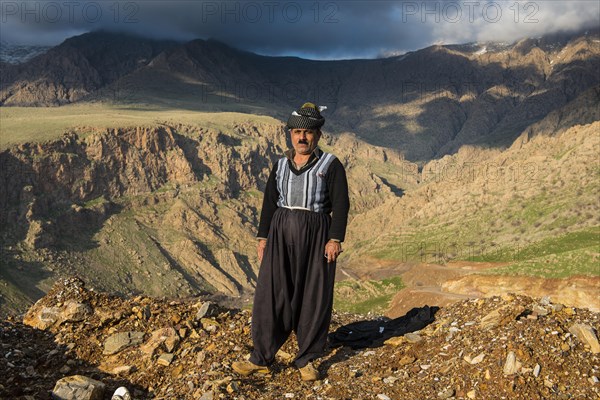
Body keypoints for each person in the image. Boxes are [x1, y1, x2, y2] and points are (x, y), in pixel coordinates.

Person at [232, 102, 350, 381]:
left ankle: (307, 358)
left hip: (317, 235)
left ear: (318, 135)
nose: (302, 138)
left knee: (314, 295)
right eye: (297, 132)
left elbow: (341, 205)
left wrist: (334, 239)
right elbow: (269, 204)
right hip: (280, 235)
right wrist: (263, 238)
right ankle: (261, 357)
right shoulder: (280, 166)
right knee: (271, 294)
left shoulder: (330, 165)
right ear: (289, 134)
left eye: (308, 133)